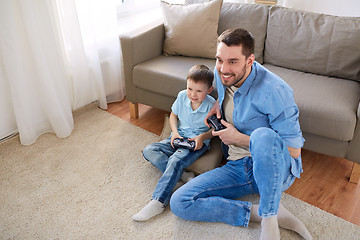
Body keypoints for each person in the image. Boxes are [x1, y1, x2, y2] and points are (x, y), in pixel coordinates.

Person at [170, 29, 312, 240]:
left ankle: (270, 220)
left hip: (274, 169)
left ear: (250, 60)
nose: (224, 68)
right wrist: (218, 105)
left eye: (233, 62)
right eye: (219, 60)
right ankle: (262, 212)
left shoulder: (275, 91)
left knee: (263, 135)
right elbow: (230, 93)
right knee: (180, 201)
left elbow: (293, 151)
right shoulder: (222, 74)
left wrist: (239, 138)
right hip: (238, 166)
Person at [132, 64, 216, 222]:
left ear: (209, 90)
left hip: (195, 143)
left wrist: (202, 138)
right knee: (149, 150)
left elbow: (215, 130)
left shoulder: (212, 105)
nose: (193, 94)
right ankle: (182, 175)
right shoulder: (182, 96)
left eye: (199, 91)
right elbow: (173, 116)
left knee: (175, 160)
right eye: (190, 88)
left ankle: (158, 201)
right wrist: (175, 133)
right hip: (178, 137)